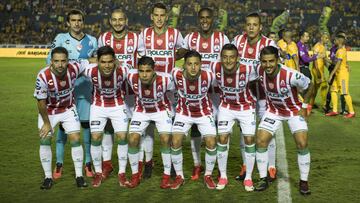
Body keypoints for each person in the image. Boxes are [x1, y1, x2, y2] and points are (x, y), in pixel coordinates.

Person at [254, 46, 313, 196]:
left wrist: (304, 106)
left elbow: (310, 85)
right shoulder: (259, 70)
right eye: (264, 62)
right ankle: (263, 178)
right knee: (261, 141)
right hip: (273, 111)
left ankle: (304, 181)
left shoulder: (291, 75)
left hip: (293, 111)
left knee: (302, 143)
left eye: (271, 61)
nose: (267, 65)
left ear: (278, 60)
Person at [47, 9, 98, 179]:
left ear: (83, 22)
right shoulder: (61, 39)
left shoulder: (92, 41)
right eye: (73, 20)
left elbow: (97, 63)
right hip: (65, 93)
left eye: (79, 20)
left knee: (85, 128)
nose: (76, 23)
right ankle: (59, 163)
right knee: (62, 129)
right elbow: (50, 62)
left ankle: (88, 163)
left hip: (85, 91)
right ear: (68, 23)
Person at [181, 7, 229, 181]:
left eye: (208, 17)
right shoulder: (190, 38)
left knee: (220, 129)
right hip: (197, 93)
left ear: (213, 19)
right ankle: (197, 164)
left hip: (217, 93)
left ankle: (217, 166)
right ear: (198, 19)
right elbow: (181, 56)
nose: (205, 21)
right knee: (195, 128)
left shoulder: (222, 38)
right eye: (201, 18)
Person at [137, 2, 184, 178]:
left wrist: (175, 56)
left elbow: (184, 48)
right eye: (156, 15)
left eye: (162, 15)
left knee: (168, 127)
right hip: (149, 86)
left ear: (166, 17)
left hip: (169, 88)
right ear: (151, 16)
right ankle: (148, 163)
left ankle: (170, 163)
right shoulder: (144, 34)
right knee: (148, 126)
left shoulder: (175, 33)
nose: (159, 18)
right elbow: (141, 57)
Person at [232, 12, 278, 182]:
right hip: (244, 97)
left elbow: (274, 68)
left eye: (255, 24)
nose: (251, 27)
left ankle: (271, 167)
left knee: (267, 133)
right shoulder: (237, 41)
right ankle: (246, 165)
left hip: (265, 98)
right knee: (245, 134)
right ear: (245, 26)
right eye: (248, 24)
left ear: (260, 27)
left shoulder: (269, 44)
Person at [35, 47, 88, 189]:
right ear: (51, 61)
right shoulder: (43, 76)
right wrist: (46, 123)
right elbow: (40, 102)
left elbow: (90, 62)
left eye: (63, 61)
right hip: (49, 110)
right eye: (56, 61)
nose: (60, 64)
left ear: (68, 61)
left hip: (68, 108)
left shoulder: (74, 68)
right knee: (45, 139)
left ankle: (79, 176)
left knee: (76, 139)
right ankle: (48, 177)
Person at [97, 9, 139, 180]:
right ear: (110, 21)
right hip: (112, 94)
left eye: (121, 19)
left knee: (136, 129)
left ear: (126, 20)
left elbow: (142, 60)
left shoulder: (137, 38)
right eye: (114, 20)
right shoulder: (103, 38)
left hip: (132, 93)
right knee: (109, 129)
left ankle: (139, 163)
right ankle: (107, 163)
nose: (118, 22)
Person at [211, 44, 257, 191]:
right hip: (226, 107)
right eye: (225, 57)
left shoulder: (249, 69)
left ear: (238, 58)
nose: (228, 61)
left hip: (246, 107)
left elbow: (266, 72)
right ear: (221, 58)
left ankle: (249, 177)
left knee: (249, 140)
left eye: (232, 57)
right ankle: (223, 176)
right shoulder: (214, 67)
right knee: (222, 139)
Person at [82, 46, 130, 187]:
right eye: (103, 62)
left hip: (118, 106)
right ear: (97, 62)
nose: (107, 65)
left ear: (115, 61)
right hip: (98, 106)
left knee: (122, 136)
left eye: (110, 62)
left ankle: (121, 173)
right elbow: (75, 64)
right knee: (96, 137)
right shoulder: (90, 70)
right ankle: (98, 172)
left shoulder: (124, 70)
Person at [170, 50, 217, 190]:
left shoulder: (208, 75)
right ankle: (179, 176)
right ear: (184, 65)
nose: (193, 67)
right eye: (189, 64)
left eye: (196, 64)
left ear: (201, 65)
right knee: (175, 140)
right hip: (184, 113)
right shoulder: (176, 74)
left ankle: (208, 175)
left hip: (204, 113)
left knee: (211, 141)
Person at [126, 56, 175, 189]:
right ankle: (135, 176)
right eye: (141, 71)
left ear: (154, 70)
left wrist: (173, 111)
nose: (144, 74)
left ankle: (166, 177)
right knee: (132, 140)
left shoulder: (165, 79)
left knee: (165, 139)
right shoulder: (131, 76)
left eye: (148, 71)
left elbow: (174, 92)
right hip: (141, 111)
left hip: (161, 111)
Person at [325, 35, 355, 118]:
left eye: (335, 40)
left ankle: (351, 112)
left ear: (339, 41)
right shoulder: (339, 50)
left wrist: (331, 75)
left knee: (345, 93)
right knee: (333, 90)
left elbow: (338, 64)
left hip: (342, 75)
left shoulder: (341, 51)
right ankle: (334, 110)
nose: (334, 41)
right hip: (338, 74)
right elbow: (336, 62)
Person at [309, 32, 329, 113]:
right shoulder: (317, 46)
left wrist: (328, 66)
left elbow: (324, 59)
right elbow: (315, 60)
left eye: (327, 38)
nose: (327, 40)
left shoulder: (323, 47)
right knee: (324, 85)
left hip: (321, 70)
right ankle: (324, 105)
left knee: (316, 88)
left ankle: (311, 103)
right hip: (317, 70)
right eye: (326, 38)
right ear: (322, 38)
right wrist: (317, 72)